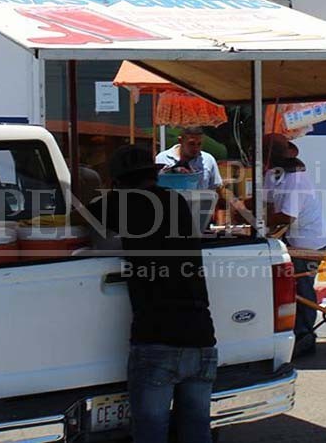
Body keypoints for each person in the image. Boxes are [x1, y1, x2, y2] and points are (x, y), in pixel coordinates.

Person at [87, 145, 217, 443]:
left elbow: (79, 217)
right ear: (154, 175)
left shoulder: (120, 204)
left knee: (150, 434)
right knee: (197, 432)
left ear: (117, 181)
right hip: (202, 337)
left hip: (157, 340)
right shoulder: (176, 201)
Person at [263, 134, 326, 357]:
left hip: (309, 242)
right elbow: (266, 203)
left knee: (302, 289)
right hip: (291, 239)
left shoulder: (296, 180)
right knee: (290, 287)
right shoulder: (273, 175)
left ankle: (306, 336)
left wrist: (256, 218)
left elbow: (286, 216)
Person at [156, 126, 223, 191]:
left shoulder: (208, 160)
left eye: (199, 144)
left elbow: (217, 188)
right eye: (191, 144)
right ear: (180, 141)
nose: (196, 148)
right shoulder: (162, 159)